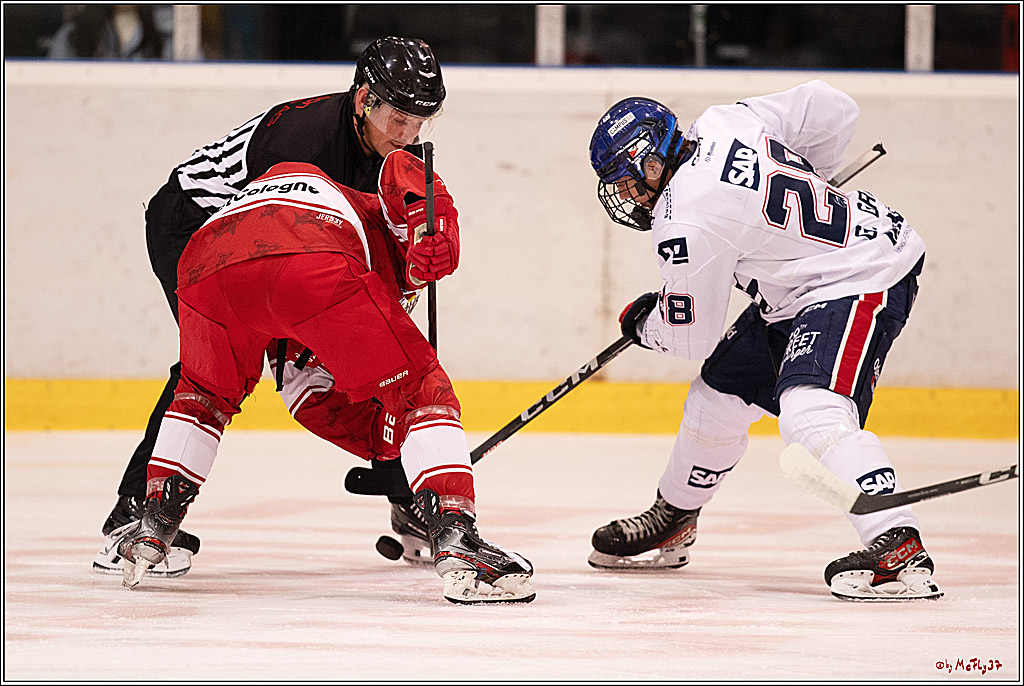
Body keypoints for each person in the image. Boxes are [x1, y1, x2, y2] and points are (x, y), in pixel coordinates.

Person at [111, 150, 536, 604]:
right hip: (308, 253)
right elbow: (403, 168)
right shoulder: (367, 213)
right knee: (422, 388)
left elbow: (306, 391)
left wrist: (390, 442)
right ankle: (457, 537)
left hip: (203, 263)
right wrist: (435, 227)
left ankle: (154, 524)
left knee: (203, 397)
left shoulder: (300, 198)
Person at [94, 36, 446, 578]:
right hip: (196, 224)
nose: (408, 134)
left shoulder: (398, 151)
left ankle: (408, 496)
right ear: (363, 100)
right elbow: (276, 254)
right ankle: (135, 512)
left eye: (421, 120)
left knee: (380, 354)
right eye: (398, 118)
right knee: (209, 370)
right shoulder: (303, 141)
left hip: (278, 243)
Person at [585, 80, 941, 601]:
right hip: (808, 283)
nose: (628, 198)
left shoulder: (684, 219)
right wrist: (814, 178)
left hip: (861, 274)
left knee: (810, 412)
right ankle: (675, 517)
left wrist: (646, 326)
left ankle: (897, 543)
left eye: (628, 183)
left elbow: (690, 337)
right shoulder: (723, 121)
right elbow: (832, 106)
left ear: (653, 164)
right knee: (716, 398)